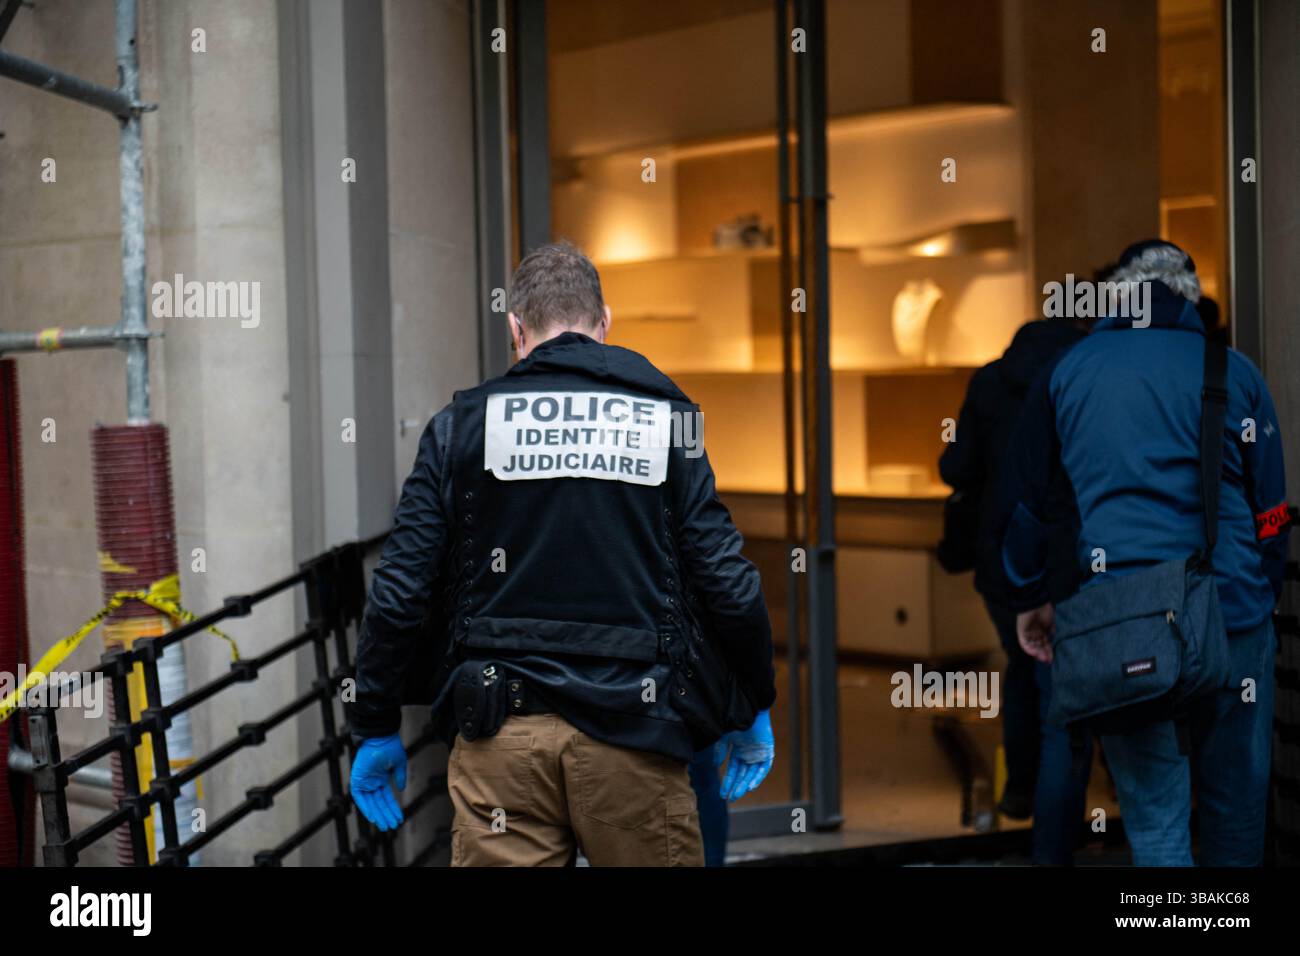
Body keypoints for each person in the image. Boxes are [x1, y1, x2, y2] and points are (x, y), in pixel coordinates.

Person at [346, 241, 777, 866]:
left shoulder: (462, 426)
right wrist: (751, 700)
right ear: (605, 324)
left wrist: (376, 720)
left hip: (500, 739)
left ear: (515, 329)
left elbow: (399, 589)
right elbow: (728, 583)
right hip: (637, 733)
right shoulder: (667, 421)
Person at [1002, 239, 1291, 866]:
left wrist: (1030, 597)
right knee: (1235, 812)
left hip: (1125, 624)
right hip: (1232, 613)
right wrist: (1259, 593)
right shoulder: (1232, 371)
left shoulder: (1069, 370)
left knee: (1156, 820)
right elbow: (1273, 512)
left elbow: (1027, 505)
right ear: (1189, 296)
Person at [939, 310, 1091, 864]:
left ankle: (1019, 790)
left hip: (1002, 557)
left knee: (1025, 668)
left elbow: (956, 466)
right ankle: (1058, 838)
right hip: (1072, 558)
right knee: (1063, 703)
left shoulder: (990, 380)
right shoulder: (1081, 374)